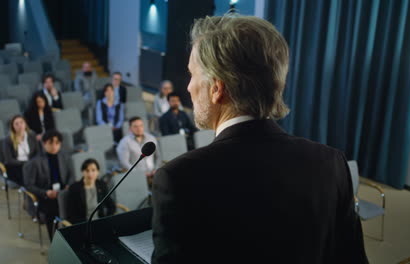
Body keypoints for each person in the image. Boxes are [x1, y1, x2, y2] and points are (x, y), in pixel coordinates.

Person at [151, 15, 367, 264]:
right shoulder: (332, 164)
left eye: (192, 75)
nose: (188, 87)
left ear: (216, 89)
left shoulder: (178, 179)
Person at [23, 130, 74, 240]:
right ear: (44, 143)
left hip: (63, 193)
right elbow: (29, 185)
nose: (54, 146)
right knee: (53, 211)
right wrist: (46, 192)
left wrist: (68, 186)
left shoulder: (65, 157)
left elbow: (71, 176)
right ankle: (56, 240)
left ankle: (72, 237)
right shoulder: (35, 162)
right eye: (51, 143)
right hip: (46, 196)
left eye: (57, 143)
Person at [66, 158, 116, 224]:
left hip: (101, 222)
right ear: (82, 172)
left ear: (98, 172)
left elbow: (111, 206)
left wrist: (106, 219)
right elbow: (71, 214)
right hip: (83, 225)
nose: (90, 174)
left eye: (93, 170)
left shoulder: (101, 185)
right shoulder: (75, 188)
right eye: (87, 170)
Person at [117, 117, 161, 183]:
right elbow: (124, 163)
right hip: (137, 177)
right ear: (130, 129)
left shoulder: (151, 138)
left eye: (141, 126)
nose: (139, 128)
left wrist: (156, 169)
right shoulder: (124, 142)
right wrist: (139, 174)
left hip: (153, 173)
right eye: (135, 126)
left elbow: (158, 156)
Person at [0, 115, 40, 185]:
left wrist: (33, 163)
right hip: (15, 167)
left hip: (31, 164)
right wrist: (26, 163)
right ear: (13, 127)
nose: (20, 126)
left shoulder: (32, 135)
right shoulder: (8, 140)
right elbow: (8, 160)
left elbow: (38, 152)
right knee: (29, 179)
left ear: (25, 124)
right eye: (16, 124)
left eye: (21, 122)